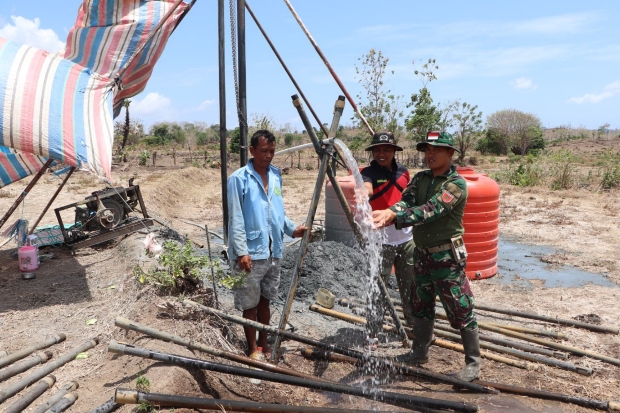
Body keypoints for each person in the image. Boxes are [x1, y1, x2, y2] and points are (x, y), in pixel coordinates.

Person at [372, 131, 480, 382]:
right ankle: (419, 351)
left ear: (450, 153)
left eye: (437, 150)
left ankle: (473, 363)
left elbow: (431, 210)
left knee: (460, 307)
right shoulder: (420, 179)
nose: (430, 154)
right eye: (426, 150)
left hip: (446, 257)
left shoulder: (456, 184)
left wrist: (395, 217)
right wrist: (389, 211)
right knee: (420, 305)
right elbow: (405, 202)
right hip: (421, 255)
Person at [227, 129, 307, 361]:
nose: (269, 156)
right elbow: (236, 217)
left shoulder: (275, 175)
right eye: (264, 151)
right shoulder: (238, 179)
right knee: (249, 304)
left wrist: (292, 229)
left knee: (266, 300)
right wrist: (241, 251)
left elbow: (276, 211)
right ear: (252, 151)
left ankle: (264, 342)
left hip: (274, 251)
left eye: (272, 151)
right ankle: (252, 348)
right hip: (250, 252)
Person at [360, 131, 415, 346]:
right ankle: (372, 332)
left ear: (394, 151)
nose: (382, 153)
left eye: (386, 149)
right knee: (378, 288)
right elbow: (366, 189)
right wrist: (362, 195)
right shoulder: (367, 172)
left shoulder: (404, 173)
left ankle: (411, 328)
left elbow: (409, 199)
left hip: (406, 239)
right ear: (373, 152)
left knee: (410, 287)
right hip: (380, 242)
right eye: (377, 150)